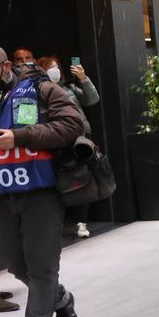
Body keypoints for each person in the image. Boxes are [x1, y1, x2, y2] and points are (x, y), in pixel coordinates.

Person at [0, 42, 84, 317]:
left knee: (41, 265)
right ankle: (61, 300)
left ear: (6, 66)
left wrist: (19, 137)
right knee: (15, 263)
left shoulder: (41, 89)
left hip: (40, 192)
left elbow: (71, 126)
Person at [36, 55, 101, 239]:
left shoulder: (69, 88)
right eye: (50, 67)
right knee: (57, 185)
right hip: (55, 143)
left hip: (78, 141)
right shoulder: (38, 92)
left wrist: (83, 79)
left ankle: (81, 222)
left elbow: (92, 99)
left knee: (81, 182)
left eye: (57, 66)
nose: (54, 70)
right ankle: (58, 224)